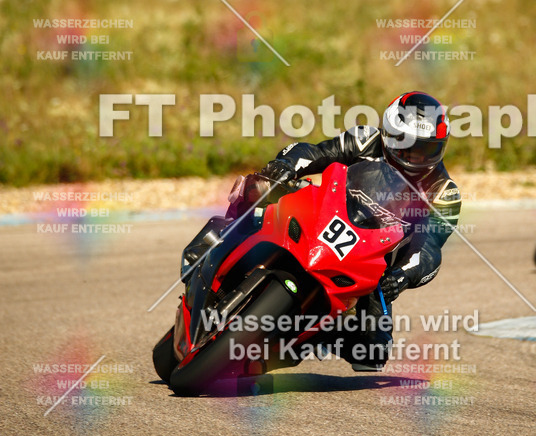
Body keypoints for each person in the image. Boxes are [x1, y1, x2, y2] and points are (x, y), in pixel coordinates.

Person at [182, 92, 461, 371]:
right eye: (406, 145)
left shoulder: (444, 193)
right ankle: (216, 241)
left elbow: (429, 250)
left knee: (372, 352)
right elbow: (316, 152)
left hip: (372, 264)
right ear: (389, 133)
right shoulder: (365, 139)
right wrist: (284, 167)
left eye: (424, 150)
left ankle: (294, 344)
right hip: (325, 213)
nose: (414, 156)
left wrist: (401, 277)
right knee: (260, 188)